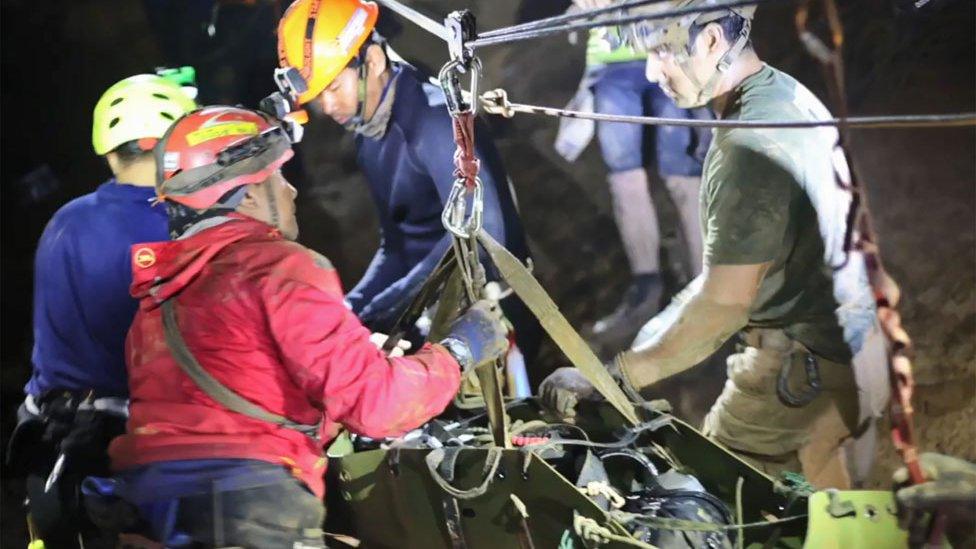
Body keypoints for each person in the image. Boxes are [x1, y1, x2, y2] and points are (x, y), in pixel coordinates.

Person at [94, 106, 508, 547]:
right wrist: (459, 351)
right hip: (248, 508)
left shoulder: (159, 300)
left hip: (149, 509)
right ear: (248, 195)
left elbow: (237, 407)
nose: (291, 191)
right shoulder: (280, 268)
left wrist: (360, 365)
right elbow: (379, 406)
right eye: (278, 177)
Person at [540, 1, 886, 488]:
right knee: (835, 521)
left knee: (719, 501)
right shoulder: (784, 94)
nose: (652, 71)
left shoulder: (746, 148)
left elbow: (724, 304)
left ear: (710, 41)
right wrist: (639, 351)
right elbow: (723, 277)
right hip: (856, 354)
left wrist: (614, 378)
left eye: (662, 50)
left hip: (798, 378)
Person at [276, 0, 541, 376]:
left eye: (333, 87)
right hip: (431, 314)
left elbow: (483, 238)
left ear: (373, 61)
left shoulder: (435, 122)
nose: (327, 106)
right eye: (318, 96)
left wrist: (387, 308)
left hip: (493, 319)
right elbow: (398, 244)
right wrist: (354, 310)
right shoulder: (369, 132)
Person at [5, 74, 196, 548]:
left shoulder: (63, 221)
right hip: (134, 464)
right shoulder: (182, 227)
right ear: (178, 147)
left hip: (51, 452)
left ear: (109, 153)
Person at [556, 0, 710, 352]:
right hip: (611, 64)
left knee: (682, 172)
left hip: (672, 49)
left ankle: (708, 289)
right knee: (625, 177)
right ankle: (647, 290)